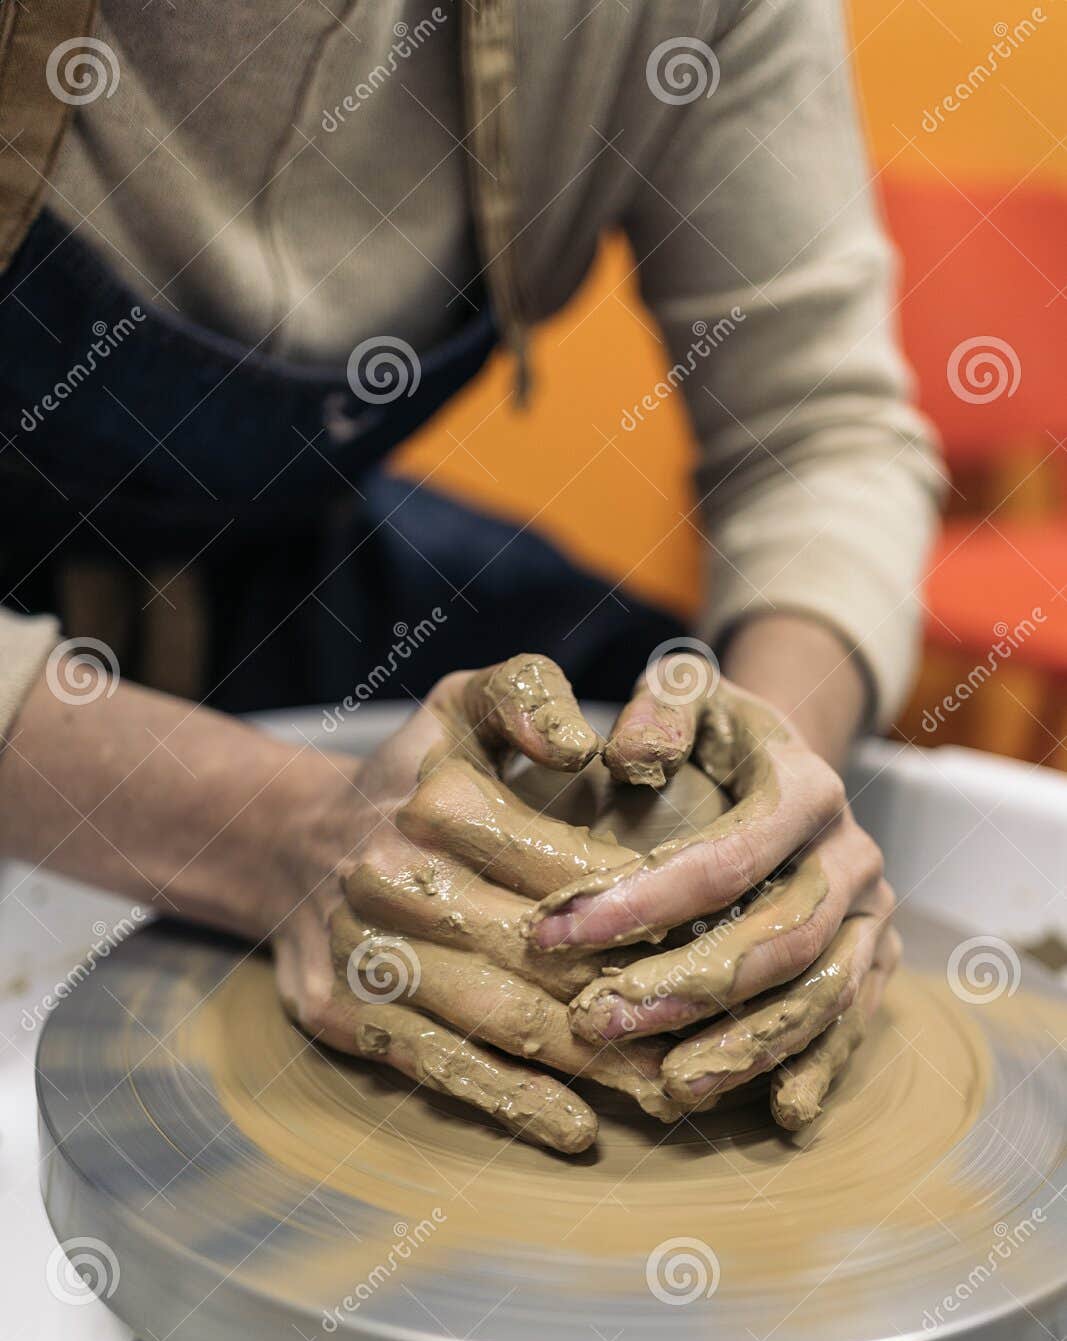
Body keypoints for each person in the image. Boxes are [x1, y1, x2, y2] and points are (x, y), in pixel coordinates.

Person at [0, 1, 940, 1141]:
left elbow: (820, 433)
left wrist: (756, 831)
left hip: (279, 553)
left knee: (623, 726)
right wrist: (270, 835)